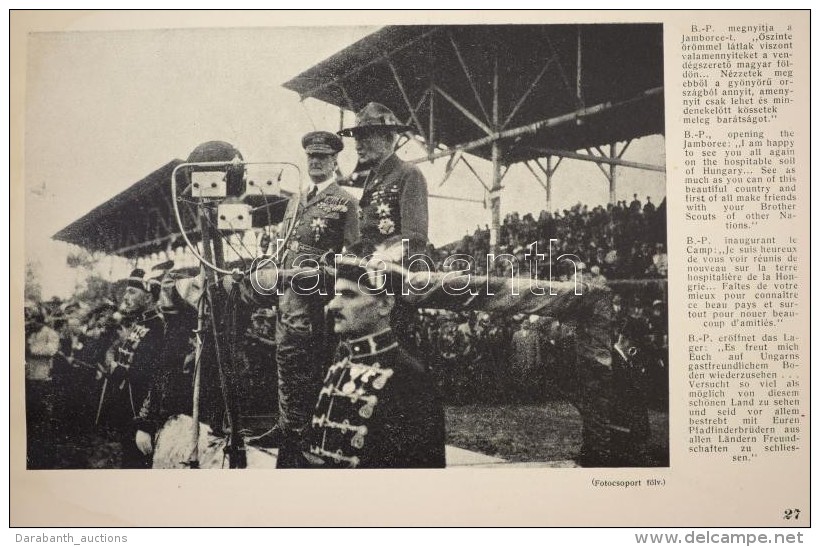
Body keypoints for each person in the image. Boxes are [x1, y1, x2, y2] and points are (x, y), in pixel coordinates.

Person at [262, 131, 359, 467]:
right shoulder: (296, 199)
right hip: (287, 295)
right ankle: (287, 425)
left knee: (310, 365)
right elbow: (284, 243)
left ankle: (305, 435)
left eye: (323, 157)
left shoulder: (346, 202)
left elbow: (354, 254)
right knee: (285, 360)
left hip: (316, 299)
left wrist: (323, 271)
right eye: (311, 157)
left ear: (335, 162)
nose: (315, 162)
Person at [301, 246, 446, 468]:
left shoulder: (409, 377)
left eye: (348, 295)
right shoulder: (340, 366)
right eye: (335, 294)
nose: (333, 305)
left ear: (385, 305)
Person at [338, 102, 428, 254]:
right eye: (356, 139)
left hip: (397, 271)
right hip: (372, 269)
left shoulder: (408, 173)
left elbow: (415, 238)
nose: (357, 146)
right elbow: (367, 238)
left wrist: (385, 256)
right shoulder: (372, 180)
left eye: (364, 138)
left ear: (387, 138)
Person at [103, 268, 165, 469]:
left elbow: (157, 378)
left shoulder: (158, 327)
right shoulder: (142, 323)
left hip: (141, 416)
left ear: (148, 297)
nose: (125, 297)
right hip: (128, 411)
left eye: (132, 292)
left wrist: (145, 425)